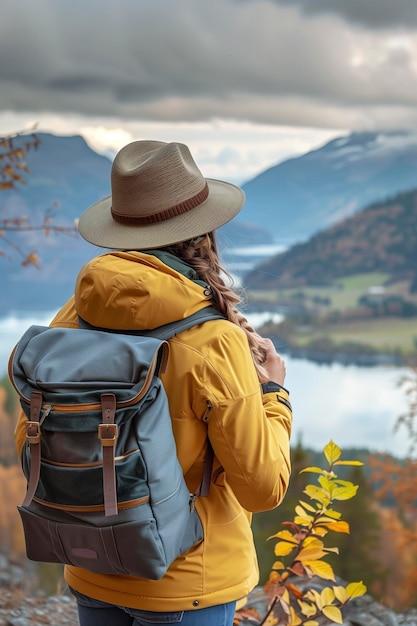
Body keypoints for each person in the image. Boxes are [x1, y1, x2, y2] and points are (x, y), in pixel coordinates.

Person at [14, 140, 293, 626]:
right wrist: (273, 394)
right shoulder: (215, 340)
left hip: (92, 563)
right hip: (188, 583)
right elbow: (263, 488)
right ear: (203, 232)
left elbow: (29, 440)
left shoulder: (72, 317)